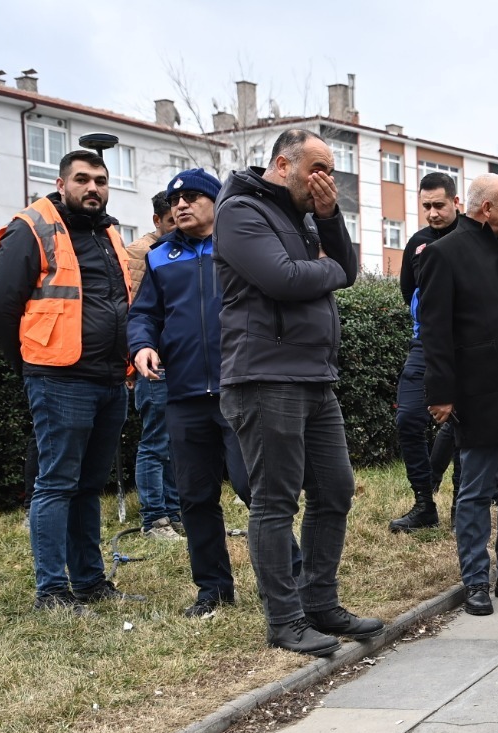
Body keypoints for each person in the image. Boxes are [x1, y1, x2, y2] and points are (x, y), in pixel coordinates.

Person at [213, 128, 382, 657]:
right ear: (283, 164)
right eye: (318, 169)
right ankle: (284, 621)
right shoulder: (239, 211)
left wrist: (331, 222)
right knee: (275, 501)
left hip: (313, 374)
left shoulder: (305, 215)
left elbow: (346, 271)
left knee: (335, 489)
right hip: (265, 375)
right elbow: (283, 278)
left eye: (330, 170)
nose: (326, 180)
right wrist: (329, 268)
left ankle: (320, 602)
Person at [0, 148, 142, 612]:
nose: (92, 187)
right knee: (55, 484)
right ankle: (51, 591)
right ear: (61, 184)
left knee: (87, 486)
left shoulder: (107, 232)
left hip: (110, 378)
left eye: (100, 179)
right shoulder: (31, 227)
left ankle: (90, 582)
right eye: (82, 179)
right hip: (58, 379)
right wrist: (31, 366)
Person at [128, 168, 256, 618]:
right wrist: (142, 344)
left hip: (237, 389)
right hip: (181, 395)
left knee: (252, 486)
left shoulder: (238, 247)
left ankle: (287, 577)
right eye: (174, 200)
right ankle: (213, 591)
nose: (180, 205)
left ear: (215, 203)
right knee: (196, 497)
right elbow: (144, 314)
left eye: (191, 198)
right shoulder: (161, 257)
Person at [418, 174, 498, 616]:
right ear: (487, 209)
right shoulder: (444, 254)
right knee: (476, 490)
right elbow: (434, 330)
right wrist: (441, 394)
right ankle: (475, 579)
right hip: (476, 391)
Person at [391, 171, 462, 532]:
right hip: (424, 346)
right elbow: (409, 292)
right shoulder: (417, 243)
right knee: (408, 420)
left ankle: (461, 508)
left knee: (466, 428)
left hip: (467, 349)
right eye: (426, 206)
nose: (433, 213)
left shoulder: (473, 237)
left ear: (456, 202)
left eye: (439, 205)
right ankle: (424, 503)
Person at [125, 191, 183, 540]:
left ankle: (174, 514)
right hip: (153, 363)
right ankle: (154, 519)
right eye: (173, 222)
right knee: (155, 442)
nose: (181, 226)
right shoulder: (141, 255)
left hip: (178, 362)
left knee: (175, 441)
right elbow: (134, 313)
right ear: (158, 221)